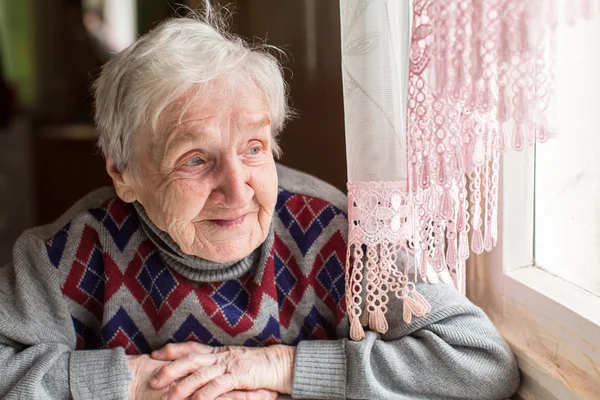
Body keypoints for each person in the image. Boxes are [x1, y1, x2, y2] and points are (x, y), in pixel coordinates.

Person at [0, 5, 520, 400]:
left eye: (253, 149)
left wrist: (279, 367)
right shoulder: (66, 253)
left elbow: (478, 361)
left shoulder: (336, 233)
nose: (238, 187)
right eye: (195, 160)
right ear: (124, 173)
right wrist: (137, 380)